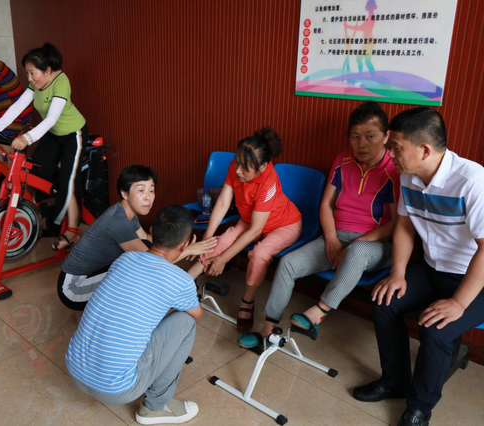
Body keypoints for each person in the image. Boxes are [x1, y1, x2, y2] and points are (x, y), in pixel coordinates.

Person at [353, 108, 484, 426]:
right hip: (431, 267)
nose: (390, 153)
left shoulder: (472, 181)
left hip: (473, 277)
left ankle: (420, 407)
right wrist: (397, 273)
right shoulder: (408, 177)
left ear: (424, 150)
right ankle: (395, 381)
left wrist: (458, 302)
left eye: (396, 147)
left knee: (435, 330)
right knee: (384, 302)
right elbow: (404, 226)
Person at [238, 101, 399, 348]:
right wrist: (331, 239)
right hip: (336, 237)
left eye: (370, 136)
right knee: (288, 264)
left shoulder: (394, 170)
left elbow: (395, 224)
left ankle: (318, 313)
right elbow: (326, 205)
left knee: (357, 250)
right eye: (355, 136)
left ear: (386, 136)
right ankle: (267, 330)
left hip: (375, 244)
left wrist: (351, 246)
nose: (362, 144)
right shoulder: (343, 161)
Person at [66, 205, 202, 425]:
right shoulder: (181, 281)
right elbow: (195, 315)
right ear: (185, 244)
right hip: (115, 389)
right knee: (186, 323)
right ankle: (154, 407)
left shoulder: (125, 259)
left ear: (152, 232)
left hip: (75, 369)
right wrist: (200, 266)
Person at [187, 127, 302, 331]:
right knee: (223, 240)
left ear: (262, 167)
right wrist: (206, 238)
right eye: (237, 162)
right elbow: (223, 203)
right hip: (252, 219)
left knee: (260, 254)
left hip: (284, 224)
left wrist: (223, 259)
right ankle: (185, 281)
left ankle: (247, 302)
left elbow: (255, 231)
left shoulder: (269, 182)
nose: (238, 170)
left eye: (245, 167)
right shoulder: (236, 166)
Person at [58, 164, 217, 310]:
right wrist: (187, 250)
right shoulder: (118, 222)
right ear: (124, 193)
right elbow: (151, 264)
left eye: (151, 190)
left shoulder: (126, 212)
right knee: (142, 274)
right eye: (141, 191)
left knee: (146, 251)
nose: (148, 197)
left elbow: (147, 240)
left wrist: (178, 244)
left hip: (93, 274)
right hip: (74, 288)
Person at [0, 43, 87, 250]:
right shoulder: (37, 83)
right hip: (53, 134)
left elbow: (52, 118)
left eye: (32, 73)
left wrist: (27, 138)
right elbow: (18, 106)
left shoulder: (61, 82)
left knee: (68, 181)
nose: (29, 78)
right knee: (38, 169)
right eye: (27, 73)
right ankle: (46, 214)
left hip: (73, 135)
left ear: (48, 71)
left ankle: (72, 231)